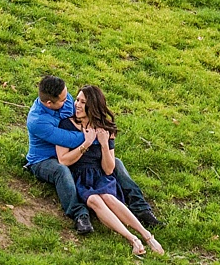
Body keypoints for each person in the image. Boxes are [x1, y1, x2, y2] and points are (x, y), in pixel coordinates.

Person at [24, 75, 160, 235]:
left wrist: (105, 139)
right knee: (62, 170)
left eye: (69, 95)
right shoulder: (38, 121)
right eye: (64, 99)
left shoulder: (65, 99)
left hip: (77, 152)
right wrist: (99, 135)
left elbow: (79, 119)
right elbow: (69, 138)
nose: (71, 102)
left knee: (117, 162)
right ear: (49, 103)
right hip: (45, 159)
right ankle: (79, 215)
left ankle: (141, 208)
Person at [56, 85, 163, 256]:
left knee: (107, 197)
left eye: (83, 102)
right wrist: (86, 143)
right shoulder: (66, 124)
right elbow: (63, 160)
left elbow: (108, 169)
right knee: (93, 200)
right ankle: (133, 239)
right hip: (79, 176)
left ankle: (147, 236)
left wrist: (104, 144)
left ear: (93, 105)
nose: (77, 104)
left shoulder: (106, 129)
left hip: (100, 176)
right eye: (77, 100)